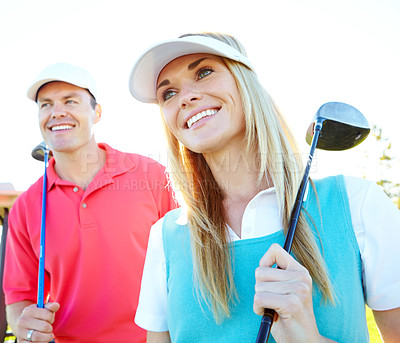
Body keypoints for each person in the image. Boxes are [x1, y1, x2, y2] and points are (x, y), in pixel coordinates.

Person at [128, 33, 400, 342]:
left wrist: (309, 338)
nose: (185, 97)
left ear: (246, 84)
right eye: (168, 93)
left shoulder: (357, 203)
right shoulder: (165, 237)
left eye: (204, 72)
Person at [3, 63, 176, 343]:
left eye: (70, 101)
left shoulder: (150, 174)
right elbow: (19, 299)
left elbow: (188, 262)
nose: (56, 111)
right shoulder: (25, 207)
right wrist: (26, 326)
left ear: (96, 113)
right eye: (46, 104)